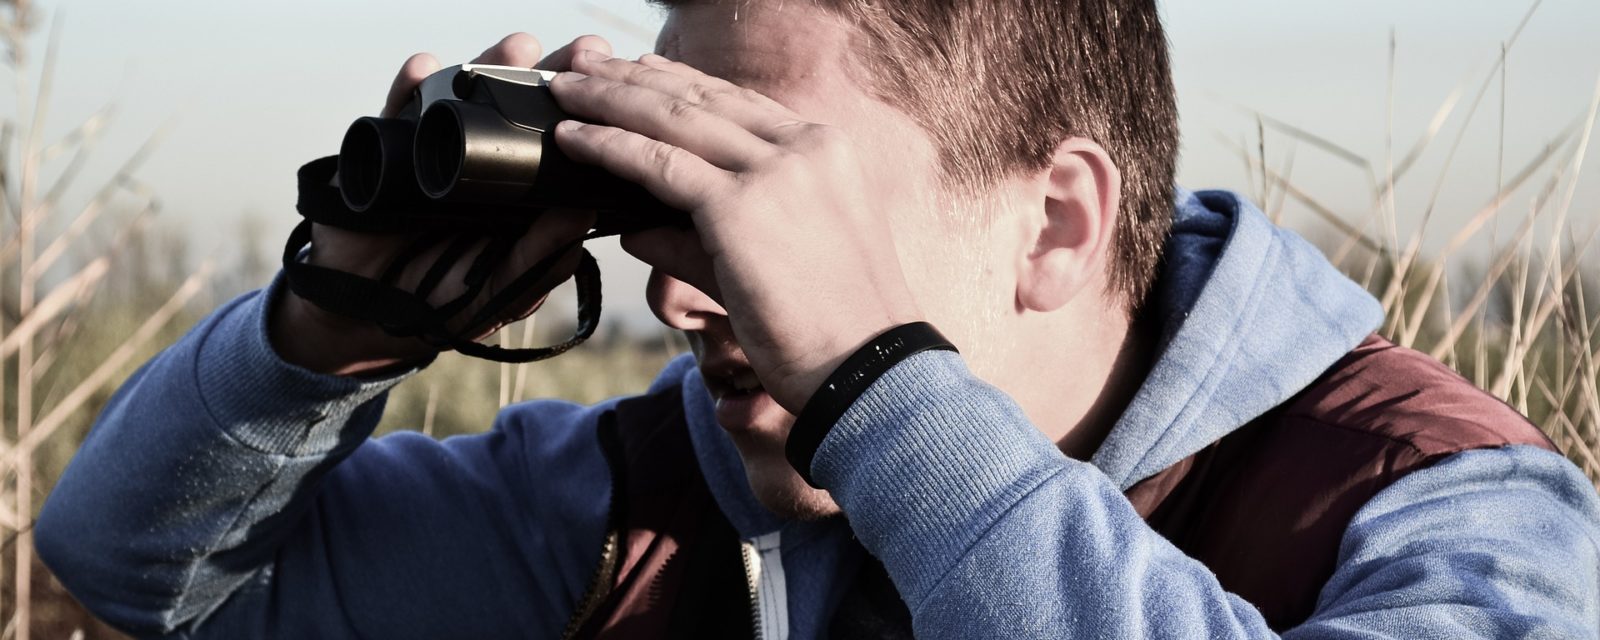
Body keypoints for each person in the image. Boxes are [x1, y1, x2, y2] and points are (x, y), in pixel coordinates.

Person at [36, 0, 1600, 637]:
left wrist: (877, 383)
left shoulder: (1442, 506)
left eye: (768, 194)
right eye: (677, 199)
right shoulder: (647, 503)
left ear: (1058, 221)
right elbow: (142, 576)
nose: (683, 288)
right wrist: (330, 329)